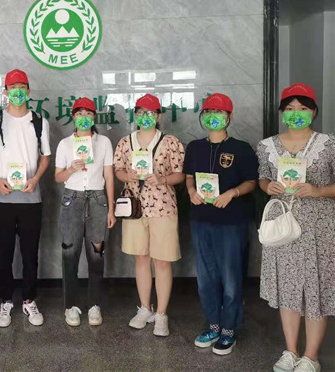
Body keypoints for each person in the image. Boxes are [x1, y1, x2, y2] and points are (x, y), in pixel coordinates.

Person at [257, 83, 335, 372]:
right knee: (288, 289)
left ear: (313, 112)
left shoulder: (329, 144)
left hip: (319, 228)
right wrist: (268, 186)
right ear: (282, 112)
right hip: (282, 226)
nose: (296, 113)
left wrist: (318, 191)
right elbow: (263, 178)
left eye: (303, 108)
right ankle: (290, 351)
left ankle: (311, 356)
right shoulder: (266, 146)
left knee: (315, 290)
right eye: (290, 108)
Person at [183, 93, 258, 356]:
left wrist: (232, 193)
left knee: (231, 277)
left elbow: (252, 182)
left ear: (229, 116)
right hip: (201, 220)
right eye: (208, 112)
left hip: (231, 221)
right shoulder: (195, 147)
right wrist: (191, 191)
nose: (212, 117)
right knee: (206, 278)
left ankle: (229, 329)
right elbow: (189, 176)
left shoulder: (241, 148)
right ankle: (213, 325)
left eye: (219, 112)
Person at [0, 69, 51, 328]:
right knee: (5, 253)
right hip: (2, 198)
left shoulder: (39, 121)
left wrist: (36, 179)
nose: (18, 92)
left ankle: (29, 299)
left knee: (30, 253)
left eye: (22, 87)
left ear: (29, 91)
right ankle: (6, 300)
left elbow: (45, 156)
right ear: (6, 91)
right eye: (13, 87)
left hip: (31, 197)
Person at [113, 93, 185, 337]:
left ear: (159, 116)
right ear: (135, 115)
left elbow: (180, 174)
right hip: (134, 208)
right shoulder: (125, 142)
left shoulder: (170, 142)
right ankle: (145, 308)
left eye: (151, 113)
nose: (146, 117)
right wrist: (127, 176)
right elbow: (118, 169)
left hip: (163, 207)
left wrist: (162, 179)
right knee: (141, 259)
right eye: (141, 112)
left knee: (162, 261)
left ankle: (161, 314)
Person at [54, 97, 116, 327]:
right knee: (70, 253)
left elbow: (109, 175)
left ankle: (94, 304)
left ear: (94, 117)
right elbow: (58, 177)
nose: (83, 117)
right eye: (79, 113)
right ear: (73, 117)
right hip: (72, 199)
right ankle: (70, 305)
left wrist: (111, 208)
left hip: (98, 200)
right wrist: (71, 168)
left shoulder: (104, 142)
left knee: (96, 254)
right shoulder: (65, 144)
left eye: (88, 113)